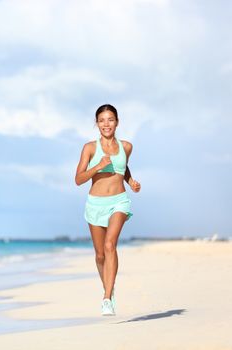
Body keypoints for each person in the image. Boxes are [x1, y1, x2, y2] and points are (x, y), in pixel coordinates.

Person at [74, 104, 141, 316]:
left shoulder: (127, 146)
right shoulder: (90, 148)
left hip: (119, 201)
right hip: (95, 204)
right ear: (96, 124)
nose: (106, 124)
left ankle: (106, 298)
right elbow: (78, 179)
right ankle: (110, 290)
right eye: (102, 120)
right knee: (100, 255)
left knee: (110, 244)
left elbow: (123, 165)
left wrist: (130, 181)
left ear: (117, 122)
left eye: (110, 119)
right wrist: (97, 167)